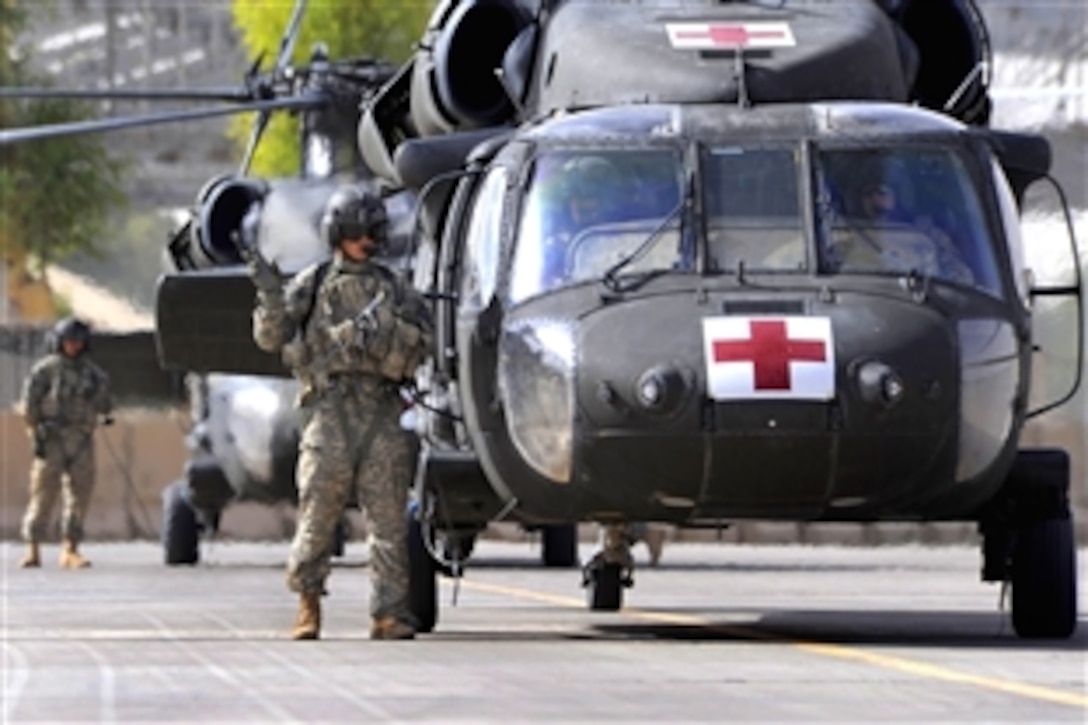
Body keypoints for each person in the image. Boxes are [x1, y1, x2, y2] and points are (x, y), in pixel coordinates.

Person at [246, 186, 434, 641]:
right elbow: (272, 340)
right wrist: (270, 300)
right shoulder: (311, 285)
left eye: (372, 232)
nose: (365, 242)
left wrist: (393, 336)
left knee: (389, 520)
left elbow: (425, 340)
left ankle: (388, 613)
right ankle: (308, 605)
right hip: (329, 411)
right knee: (318, 514)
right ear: (338, 234)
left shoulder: (394, 288)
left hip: (381, 412)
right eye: (356, 232)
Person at [18, 317, 113, 569]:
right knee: (43, 493)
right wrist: (34, 434)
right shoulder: (45, 372)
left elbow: (105, 406)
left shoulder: (94, 375)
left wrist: (99, 400)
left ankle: (70, 548)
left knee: (80, 494)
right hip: (52, 440)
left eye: (78, 342)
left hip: (81, 440)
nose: (73, 346)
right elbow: (30, 405)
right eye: (69, 341)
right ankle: (33, 548)